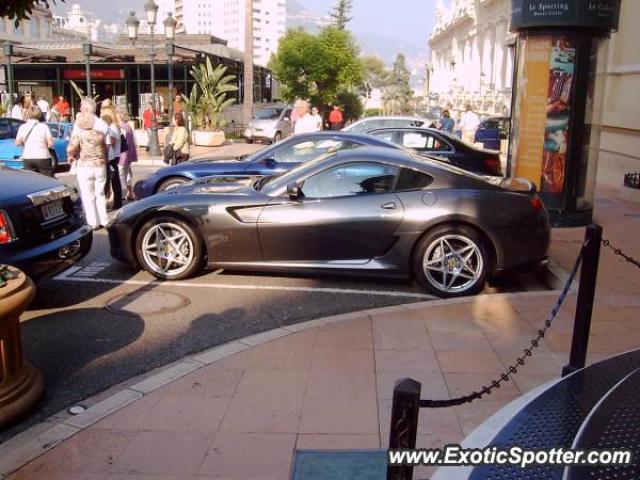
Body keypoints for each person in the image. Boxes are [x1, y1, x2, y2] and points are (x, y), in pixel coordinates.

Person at [67, 105, 109, 230]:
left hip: (85, 166)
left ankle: (93, 221)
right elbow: (106, 147)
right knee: (100, 193)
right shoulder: (100, 134)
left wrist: (70, 156)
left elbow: (70, 148)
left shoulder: (79, 135)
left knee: (88, 195)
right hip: (100, 165)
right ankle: (104, 219)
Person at [15, 105, 54, 177]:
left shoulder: (22, 127)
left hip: (27, 157)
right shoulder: (44, 126)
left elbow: (17, 143)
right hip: (43, 156)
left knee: (31, 180)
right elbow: (50, 143)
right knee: (47, 180)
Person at [101, 111, 123, 210]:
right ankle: (111, 202)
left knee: (112, 180)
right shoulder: (111, 129)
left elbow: (112, 143)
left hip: (110, 159)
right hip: (111, 158)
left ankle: (116, 202)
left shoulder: (111, 129)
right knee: (110, 181)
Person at [117, 110, 137, 201]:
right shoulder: (128, 126)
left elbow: (121, 142)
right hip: (128, 154)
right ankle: (130, 192)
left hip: (122, 154)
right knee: (127, 173)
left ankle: (123, 194)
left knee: (121, 175)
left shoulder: (120, 127)